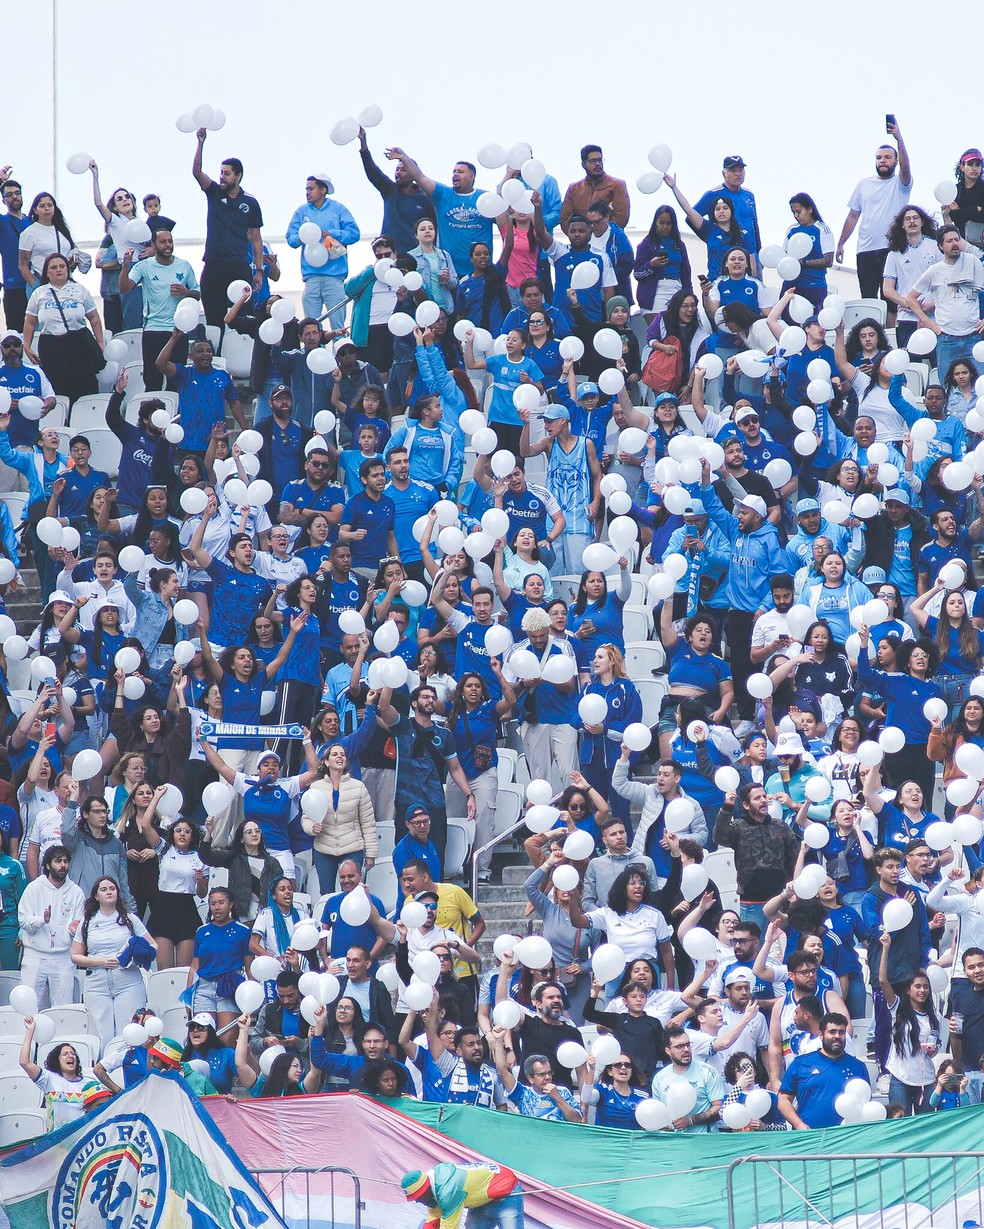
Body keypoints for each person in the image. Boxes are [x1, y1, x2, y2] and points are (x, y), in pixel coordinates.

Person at [71, 875, 156, 1049]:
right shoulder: (87, 922)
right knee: (103, 1033)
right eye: (103, 889)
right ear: (96, 896)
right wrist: (99, 961)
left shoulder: (130, 919)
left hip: (128, 981)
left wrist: (136, 956)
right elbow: (75, 956)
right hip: (97, 983)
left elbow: (153, 945)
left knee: (129, 1030)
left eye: (112, 888)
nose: (109, 892)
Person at [191, 127, 263, 326]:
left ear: (238, 176)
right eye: (221, 173)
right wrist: (200, 143)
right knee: (214, 321)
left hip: (238, 266)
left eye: (227, 173)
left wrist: (258, 271)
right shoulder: (214, 192)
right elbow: (196, 172)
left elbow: (256, 239)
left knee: (241, 319)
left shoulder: (251, 203)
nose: (222, 177)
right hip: (213, 264)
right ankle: (214, 356)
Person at [836, 120, 912, 301]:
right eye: (879, 158)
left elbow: (906, 167)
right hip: (866, 249)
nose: (883, 161)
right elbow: (853, 216)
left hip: (891, 248)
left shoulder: (900, 184)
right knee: (868, 297)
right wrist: (841, 243)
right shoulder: (864, 184)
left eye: (887, 157)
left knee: (891, 298)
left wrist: (898, 138)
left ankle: (890, 329)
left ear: (895, 161)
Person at [384, 147, 489, 279]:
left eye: (461, 172)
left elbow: (506, 226)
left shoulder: (485, 199)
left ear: (472, 176)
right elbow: (419, 177)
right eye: (454, 172)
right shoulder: (443, 194)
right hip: (448, 271)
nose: (455, 174)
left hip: (480, 270)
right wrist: (404, 157)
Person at [118, 228, 200, 390]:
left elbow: (197, 294)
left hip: (178, 330)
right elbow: (125, 288)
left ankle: (175, 413)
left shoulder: (184, 265)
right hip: (153, 330)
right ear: (154, 245)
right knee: (152, 380)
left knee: (176, 381)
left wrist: (186, 292)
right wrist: (125, 268)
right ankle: (151, 414)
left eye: (170, 241)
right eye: (163, 242)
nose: (168, 245)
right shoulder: (144, 266)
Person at [22, 253, 104, 407]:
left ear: (67, 269)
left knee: (84, 385)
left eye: (62, 266)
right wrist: (27, 345)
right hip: (52, 346)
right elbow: (30, 322)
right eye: (53, 267)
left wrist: (100, 342)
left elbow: (94, 318)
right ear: (47, 272)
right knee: (56, 388)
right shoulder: (39, 293)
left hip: (79, 345)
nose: (58, 270)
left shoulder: (80, 290)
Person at [906, 224, 984, 378]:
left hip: (973, 335)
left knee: (980, 386)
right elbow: (911, 298)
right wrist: (928, 322)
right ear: (941, 246)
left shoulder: (974, 262)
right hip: (946, 338)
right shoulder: (934, 271)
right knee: (947, 385)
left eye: (957, 239)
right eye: (949, 241)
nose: (954, 243)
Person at [877, 932, 940, 1114]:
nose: (922, 990)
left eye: (925, 987)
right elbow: (882, 980)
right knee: (900, 1125)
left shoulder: (933, 1016)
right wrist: (886, 948)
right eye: (918, 986)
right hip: (901, 1078)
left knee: (925, 1127)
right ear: (908, 990)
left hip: (926, 1079)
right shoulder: (898, 1008)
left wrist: (933, 1050)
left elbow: (934, 1048)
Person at [286, 173, 360, 327]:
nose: (307, 192)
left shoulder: (338, 209)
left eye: (311, 188)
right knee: (311, 326)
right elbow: (290, 238)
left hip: (334, 277)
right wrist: (302, 237)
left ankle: (339, 348)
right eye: (306, 189)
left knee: (337, 325)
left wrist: (331, 233)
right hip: (310, 276)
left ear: (323, 190)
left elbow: (354, 234)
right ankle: (314, 351)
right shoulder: (302, 211)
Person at [17, 844, 85, 1009]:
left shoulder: (76, 892)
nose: (63, 865)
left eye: (66, 861)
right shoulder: (34, 888)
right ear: (47, 865)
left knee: (63, 1008)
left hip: (63, 957)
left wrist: (74, 930)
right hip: (35, 955)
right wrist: (42, 920)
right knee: (28, 1006)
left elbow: (78, 925)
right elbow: (23, 920)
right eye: (58, 861)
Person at [778, 1012, 870, 1129]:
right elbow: (783, 1100)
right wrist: (798, 1124)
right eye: (832, 1032)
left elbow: (865, 1103)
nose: (837, 1036)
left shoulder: (858, 1067)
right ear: (821, 1034)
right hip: (809, 1136)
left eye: (841, 1032)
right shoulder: (801, 1063)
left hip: (846, 1138)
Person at [401, 1161, 526, 1229]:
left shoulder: (448, 1189)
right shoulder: (434, 1188)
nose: (417, 1201)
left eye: (418, 1197)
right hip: (481, 1201)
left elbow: (449, 1227)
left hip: (507, 1194)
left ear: (426, 1189)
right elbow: (433, 1219)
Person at [651, 1025, 725, 1132]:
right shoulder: (660, 1078)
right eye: (679, 1046)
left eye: (688, 1045)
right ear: (668, 1051)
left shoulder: (707, 1071)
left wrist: (691, 1121)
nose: (686, 1050)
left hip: (705, 1141)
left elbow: (719, 1108)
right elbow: (658, 1112)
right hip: (674, 1143)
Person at [19, 1019, 87, 1132]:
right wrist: (30, 1031)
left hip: (81, 1141)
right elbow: (24, 1062)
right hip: (56, 1143)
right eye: (65, 1054)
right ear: (57, 1060)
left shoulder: (89, 1083)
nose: (70, 1056)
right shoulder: (48, 1078)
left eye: (73, 1054)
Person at [560, 145, 629, 233]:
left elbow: (621, 217)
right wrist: (579, 237)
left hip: (610, 242)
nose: (597, 164)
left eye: (599, 160)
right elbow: (565, 219)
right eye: (593, 161)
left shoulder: (617, 185)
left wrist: (601, 237)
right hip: (582, 244)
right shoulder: (573, 189)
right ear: (583, 164)